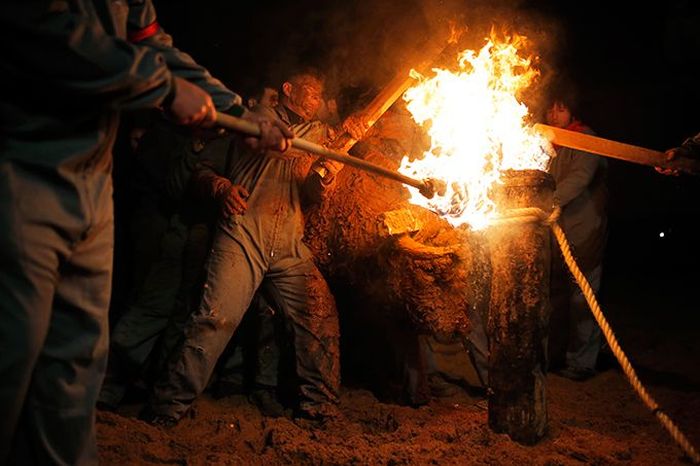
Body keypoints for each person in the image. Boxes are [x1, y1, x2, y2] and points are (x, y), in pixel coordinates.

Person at [0, 2, 291, 464]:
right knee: (10, 357)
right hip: (20, 165)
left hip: (92, 178)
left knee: (74, 366)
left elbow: (148, 42)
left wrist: (234, 109)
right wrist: (163, 87)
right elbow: (39, 29)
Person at [143, 68, 366, 427]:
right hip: (243, 232)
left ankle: (320, 407)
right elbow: (202, 171)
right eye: (310, 91)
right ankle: (165, 409)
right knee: (214, 320)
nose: (316, 100)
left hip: (290, 240)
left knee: (318, 314)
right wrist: (221, 189)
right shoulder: (252, 122)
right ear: (288, 89)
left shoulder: (321, 136)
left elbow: (310, 192)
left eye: (320, 95)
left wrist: (326, 175)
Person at [544, 81, 609, 382]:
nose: (555, 114)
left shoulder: (587, 140)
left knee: (582, 297)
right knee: (555, 296)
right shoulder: (548, 141)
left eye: (562, 108)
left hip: (585, 230)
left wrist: (547, 200)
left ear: (572, 111)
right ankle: (554, 355)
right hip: (555, 231)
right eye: (551, 108)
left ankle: (582, 361)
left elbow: (579, 179)